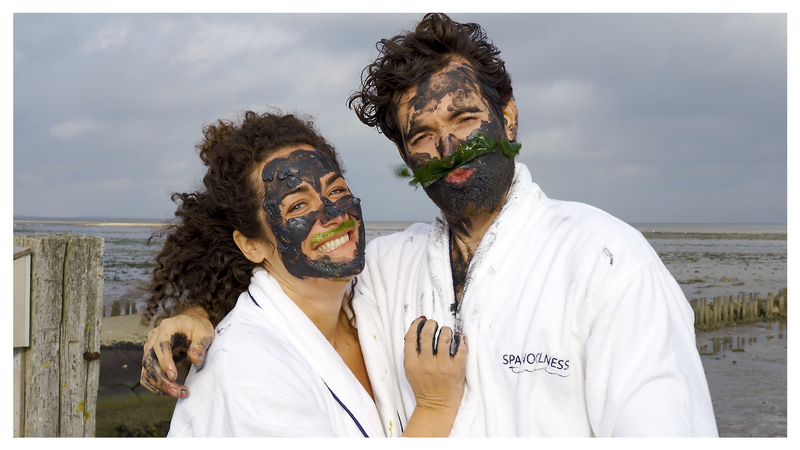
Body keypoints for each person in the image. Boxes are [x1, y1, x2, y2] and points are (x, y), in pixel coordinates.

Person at [142, 14, 718, 437]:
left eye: (464, 118)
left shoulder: (604, 262)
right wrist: (199, 313)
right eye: (421, 134)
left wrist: (198, 312)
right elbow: (286, 302)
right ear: (406, 157)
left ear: (508, 118)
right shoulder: (390, 267)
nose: (448, 146)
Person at [141, 110, 467, 437]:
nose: (333, 214)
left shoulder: (374, 283)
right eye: (298, 206)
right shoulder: (248, 371)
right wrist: (434, 407)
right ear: (252, 245)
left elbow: (462, 241)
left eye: (336, 191)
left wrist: (200, 311)